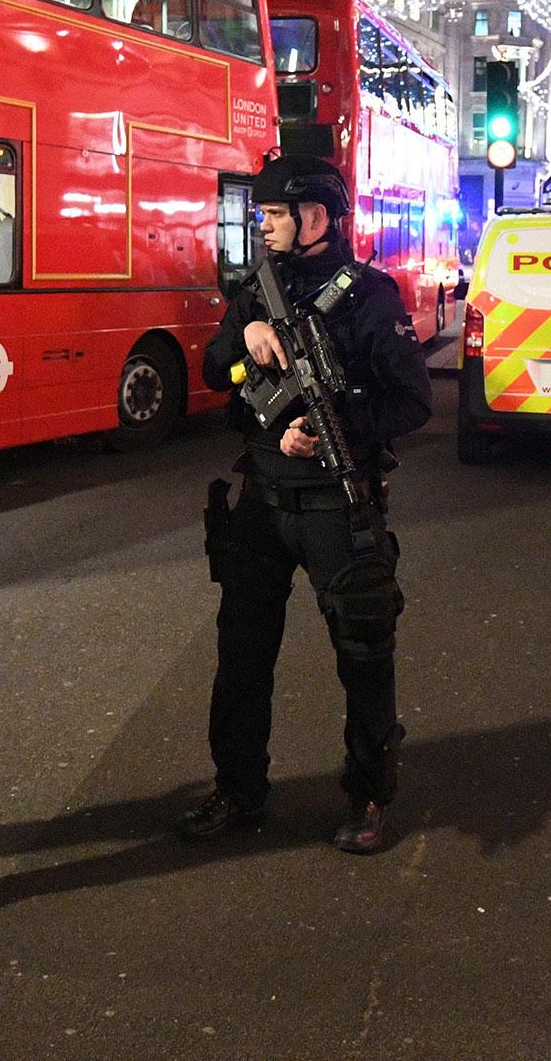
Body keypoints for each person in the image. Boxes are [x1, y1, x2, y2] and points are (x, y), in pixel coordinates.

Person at [181, 155, 433, 854]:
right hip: (261, 501)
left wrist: (333, 429)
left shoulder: (372, 298)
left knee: (362, 651)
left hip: (335, 507)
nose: (263, 227)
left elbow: (413, 401)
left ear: (316, 220)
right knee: (242, 657)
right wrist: (247, 340)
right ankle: (238, 792)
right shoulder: (258, 291)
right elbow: (212, 370)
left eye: (275, 217)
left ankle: (368, 795)